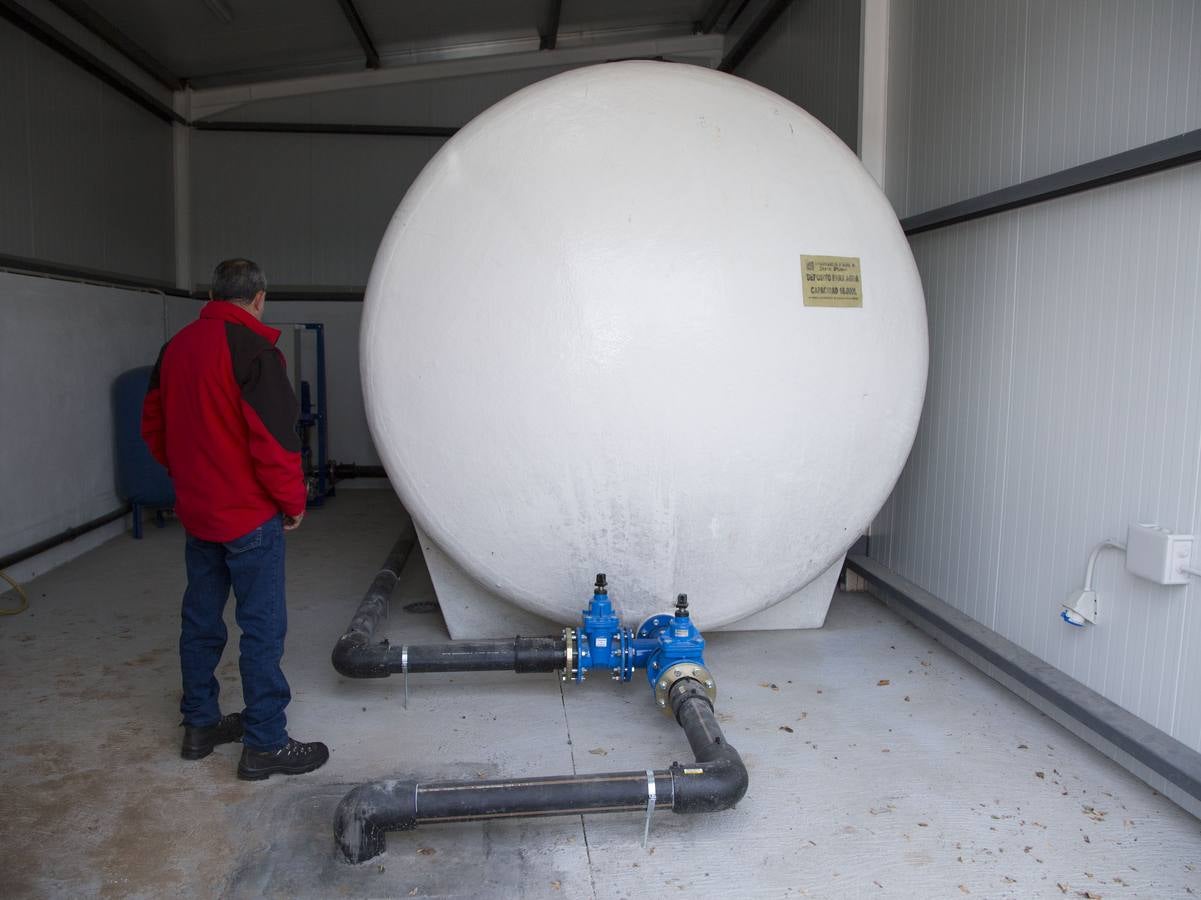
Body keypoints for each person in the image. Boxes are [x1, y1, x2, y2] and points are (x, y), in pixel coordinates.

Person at [141, 258, 328, 780]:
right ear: (259, 298)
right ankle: (265, 742)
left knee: (200, 621)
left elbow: (153, 425)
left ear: (210, 295)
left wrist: (189, 475)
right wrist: (292, 501)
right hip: (248, 517)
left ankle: (199, 726)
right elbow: (276, 442)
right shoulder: (255, 352)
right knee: (262, 627)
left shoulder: (175, 348)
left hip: (198, 512)